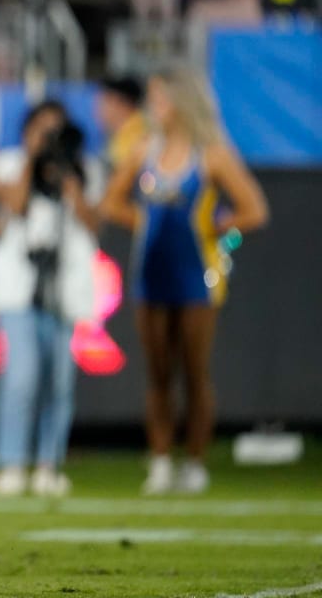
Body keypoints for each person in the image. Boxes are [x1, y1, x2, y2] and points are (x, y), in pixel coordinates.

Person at [101, 67, 268, 495]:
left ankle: (194, 460)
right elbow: (111, 202)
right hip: (152, 272)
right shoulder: (143, 151)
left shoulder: (211, 153)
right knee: (158, 371)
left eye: (161, 98)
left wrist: (217, 228)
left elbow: (253, 210)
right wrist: (147, 223)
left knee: (194, 370)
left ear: (182, 101)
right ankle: (159, 459)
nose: (154, 107)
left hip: (197, 272)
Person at [0, 100, 102, 498]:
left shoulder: (84, 169)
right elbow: (15, 205)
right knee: (21, 376)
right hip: (20, 287)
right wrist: (33, 159)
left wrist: (71, 182)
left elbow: (93, 222)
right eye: (43, 130)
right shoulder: (9, 164)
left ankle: (49, 463)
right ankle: (12, 461)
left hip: (64, 289)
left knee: (59, 380)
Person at [99, 75, 148, 169]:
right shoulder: (124, 134)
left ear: (120, 103)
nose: (99, 106)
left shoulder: (132, 137)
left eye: (105, 100)